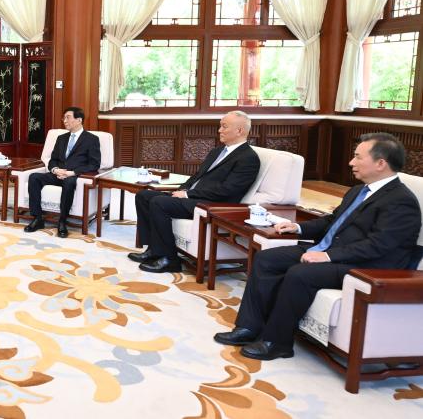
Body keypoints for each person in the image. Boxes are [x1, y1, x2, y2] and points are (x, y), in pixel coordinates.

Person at [214, 132, 421, 360]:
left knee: (300, 274)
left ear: (380, 163)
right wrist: (298, 228)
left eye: (358, 157)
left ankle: (277, 342)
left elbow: (378, 246)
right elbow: (332, 221)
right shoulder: (358, 190)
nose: (351, 162)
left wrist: (328, 256)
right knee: (267, 258)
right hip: (333, 250)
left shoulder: (401, 201)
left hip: (365, 266)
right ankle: (249, 327)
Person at [131, 110, 260, 273]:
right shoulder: (217, 151)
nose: (219, 130)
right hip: (194, 198)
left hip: (212, 204)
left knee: (159, 202)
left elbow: (228, 190)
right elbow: (197, 176)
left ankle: (170, 260)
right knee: (144, 195)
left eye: (224, 126)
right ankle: (153, 250)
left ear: (239, 130)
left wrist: (188, 194)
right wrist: (182, 189)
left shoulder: (248, 158)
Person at [24, 106, 102, 238]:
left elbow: (94, 164)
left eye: (68, 117)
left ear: (79, 120)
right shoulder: (61, 138)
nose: (65, 121)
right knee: (34, 177)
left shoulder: (91, 139)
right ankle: (37, 218)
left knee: (69, 183)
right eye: (64, 118)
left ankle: (62, 221)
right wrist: (55, 170)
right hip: (57, 174)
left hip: (74, 176)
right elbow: (53, 159)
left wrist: (73, 172)